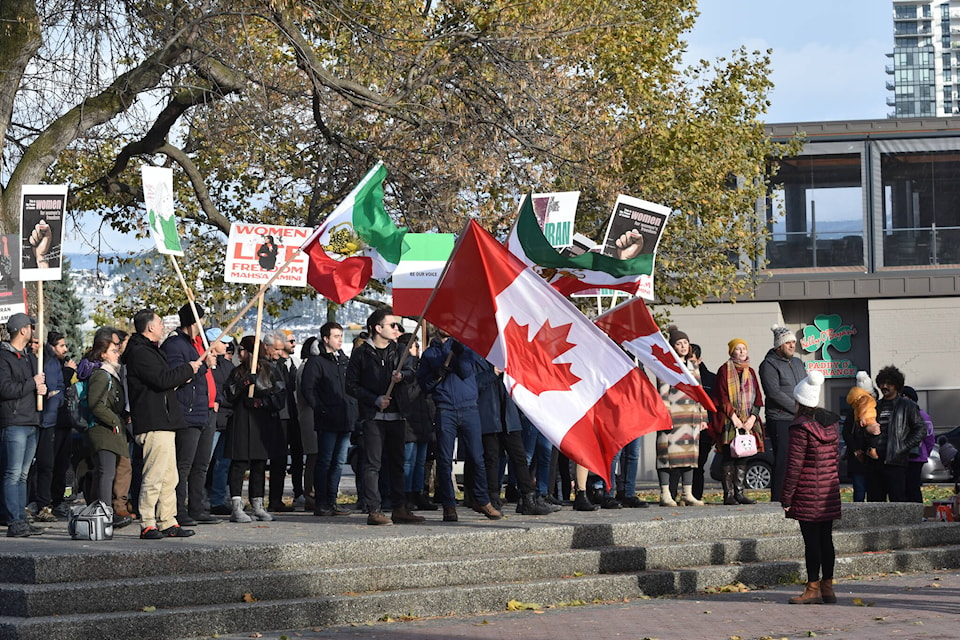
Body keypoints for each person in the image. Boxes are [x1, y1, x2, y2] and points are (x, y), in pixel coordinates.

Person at [124, 308, 208, 539]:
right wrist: (187, 368)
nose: (163, 327)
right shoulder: (140, 352)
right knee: (154, 475)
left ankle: (167, 520)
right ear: (150, 326)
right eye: (160, 323)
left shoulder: (152, 351)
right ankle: (148, 521)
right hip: (153, 421)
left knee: (170, 476)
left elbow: (167, 380)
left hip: (165, 420)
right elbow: (161, 379)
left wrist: (188, 373)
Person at [346, 308, 424, 525]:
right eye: (392, 325)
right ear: (377, 328)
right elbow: (351, 385)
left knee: (398, 463)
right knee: (373, 465)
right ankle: (374, 509)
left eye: (397, 325)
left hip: (397, 415)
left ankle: (400, 508)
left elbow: (411, 372)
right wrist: (374, 399)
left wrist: (402, 376)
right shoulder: (361, 354)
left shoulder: (400, 350)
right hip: (373, 417)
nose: (396, 329)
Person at [419, 326, 501, 522]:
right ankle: (449, 505)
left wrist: (457, 351)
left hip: (469, 408)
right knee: (445, 459)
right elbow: (424, 385)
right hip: (445, 409)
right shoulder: (430, 353)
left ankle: (481, 499)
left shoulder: (465, 349)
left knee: (476, 457)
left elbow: (465, 372)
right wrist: (436, 374)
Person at [781, 370, 841, 605]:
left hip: (807, 492)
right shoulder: (832, 424)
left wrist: (786, 496)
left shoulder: (800, 428)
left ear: (799, 401)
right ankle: (828, 588)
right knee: (826, 539)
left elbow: (794, 466)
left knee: (811, 542)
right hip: (828, 491)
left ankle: (812, 588)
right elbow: (835, 460)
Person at [161, 303, 219, 526]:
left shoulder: (195, 344)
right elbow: (178, 375)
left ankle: (196, 507)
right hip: (187, 411)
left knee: (201, 464)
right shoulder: (175, 345)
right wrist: (202, 367)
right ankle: (178, 509)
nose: (203, 325)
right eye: (201, 320)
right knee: (182, 465)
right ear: (193, 322)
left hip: (203, 412)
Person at [223, 335, 285, 523]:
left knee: (259, 464)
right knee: (239, 463)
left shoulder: (270, 370)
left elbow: (280, 397)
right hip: (242, 421)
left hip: (261, 422)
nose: (239, 353)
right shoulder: (237, 372)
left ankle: (257, 504)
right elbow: (229, 394)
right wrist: (243, 384)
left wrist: (260, 402)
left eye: (243, 349)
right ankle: (236, 505)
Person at [302, 322, 358, 517]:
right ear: (326, 339)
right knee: (325, 460)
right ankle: (321, 501)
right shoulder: (316, 362)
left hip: (345, 418)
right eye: (336, 336)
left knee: (339, 462)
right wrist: (321, 409)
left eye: (341, 336)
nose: (340, 340)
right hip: (327, 419)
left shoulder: (344, 361)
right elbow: (308, 389)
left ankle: (332, 500)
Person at [1, 313, 46, 537]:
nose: (33, 331)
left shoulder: (29, 357)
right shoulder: (4, 357)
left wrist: (40, 390)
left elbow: (28, 387)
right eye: (31, 327)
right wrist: (32, 383)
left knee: (23, 475)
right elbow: (5, 389)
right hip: (15, 421)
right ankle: (14, 520)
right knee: (13, 473)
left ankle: (21, 518)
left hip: (31, 421)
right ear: (22, 330)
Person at [84, 335, 133, 528]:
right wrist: (115, 421)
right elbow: (95, 404)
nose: (117, 354)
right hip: (103, 430)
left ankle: (104, 511)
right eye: (113, 351)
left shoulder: (112, 373)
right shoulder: (101, 374)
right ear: (103, 354)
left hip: (112, 428)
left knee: (107, 472)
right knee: (106, 472)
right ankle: (104, 514)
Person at [656, 326, 707, 507]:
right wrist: (665, 416)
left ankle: (687, 493)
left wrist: (703, 417)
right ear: (673, 346)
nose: (683, 346)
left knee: (690, 458)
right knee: (666, 458)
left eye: (685, 342)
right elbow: (663, 393)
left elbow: (699, 393)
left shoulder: (693, 366)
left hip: (691, 418)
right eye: (679, 343)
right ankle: (665, 494)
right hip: (672, 418)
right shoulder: (666, 365)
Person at [710, 338, 764, 506]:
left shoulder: (751, 372)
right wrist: (734, 418)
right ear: (731, 352)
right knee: (729, 456)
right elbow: (721, 396)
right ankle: (729, 495)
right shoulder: (724, 370)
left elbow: (758, 398)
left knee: (743, 456)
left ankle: (740, 493)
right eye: (738, 349)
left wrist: (752, 419)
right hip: (729, 421)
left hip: (748, 420)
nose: (742, 352)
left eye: (744, 349)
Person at [863, 365, 926, 503]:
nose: (884, 386)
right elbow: (861, 430)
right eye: (882, 383)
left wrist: (902, 447)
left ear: (897, 385)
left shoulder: (907, 406)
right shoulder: (874, 406)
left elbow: (920, 429)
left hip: (896, 462)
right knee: (875, 503)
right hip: (874, 461)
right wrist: (867, 431)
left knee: (897, 502)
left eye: (889, 383)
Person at [758, 324, 806, 503]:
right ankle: (778, 498)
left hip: (800, 418)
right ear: (779, 346)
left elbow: (806, 386)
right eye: (788, 343)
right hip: (780, 419)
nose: (793, 346)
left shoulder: (798, 362)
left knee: (799, 459)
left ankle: (797, 496)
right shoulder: (768, 364)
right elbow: (774, 392)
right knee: (783, 459)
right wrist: (797, 408)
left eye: (793, 342)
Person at [29, 330, 68, 522]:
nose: (34, 345)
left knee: (46, 464)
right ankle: (28, 502)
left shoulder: (51, 362)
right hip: (29, 419)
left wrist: (55, 397)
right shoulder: (26, 359)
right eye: (32, 341)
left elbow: (59, 387)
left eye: (37, 342)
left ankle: (44, 504)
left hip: (49, 420)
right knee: (26, 466)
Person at [689, 343, 716, 501]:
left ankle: (696, 495)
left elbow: (713, 405)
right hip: (686, 427)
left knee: (698, 466)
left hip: (705, 430)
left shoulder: (710, 379)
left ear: (699, 360)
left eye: (692, 361)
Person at [902, 385, 935, 504]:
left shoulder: (919, 415)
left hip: (913, 456)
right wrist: (926, 452)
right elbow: (930, 439)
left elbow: (929, 438)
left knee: (911, 487)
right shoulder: (923, 415)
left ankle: (916, 513)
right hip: (916, 456)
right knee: (911, 487)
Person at [846, 371, 880, 461]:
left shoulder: (856, 409)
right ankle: (872, 449)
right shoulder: (863, 405)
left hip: (864, 457)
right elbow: (848, 432)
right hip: (861, 455)